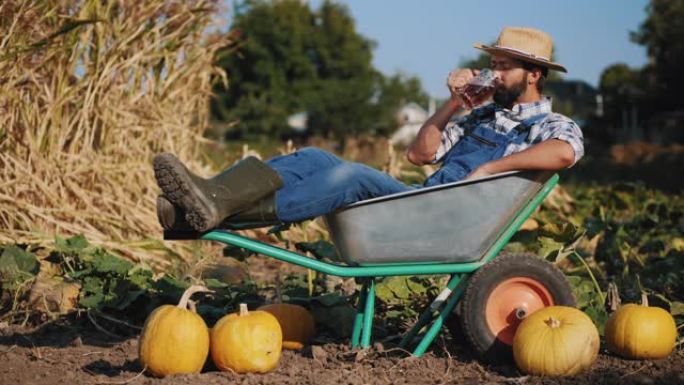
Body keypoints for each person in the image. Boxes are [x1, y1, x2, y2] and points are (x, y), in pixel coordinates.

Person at [154, 26, 584, 233]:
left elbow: (564, 152)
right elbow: (420, 156)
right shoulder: (479, 117)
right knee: (314, 156)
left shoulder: (550, 124)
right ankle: (213, 198)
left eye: (504, 68)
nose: (495, 75)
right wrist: (454, 105)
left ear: (533, 75)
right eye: (493, 66)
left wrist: (491, 169)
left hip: (447, 221)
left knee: (352, 175)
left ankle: (216, 215)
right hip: (424, 201)